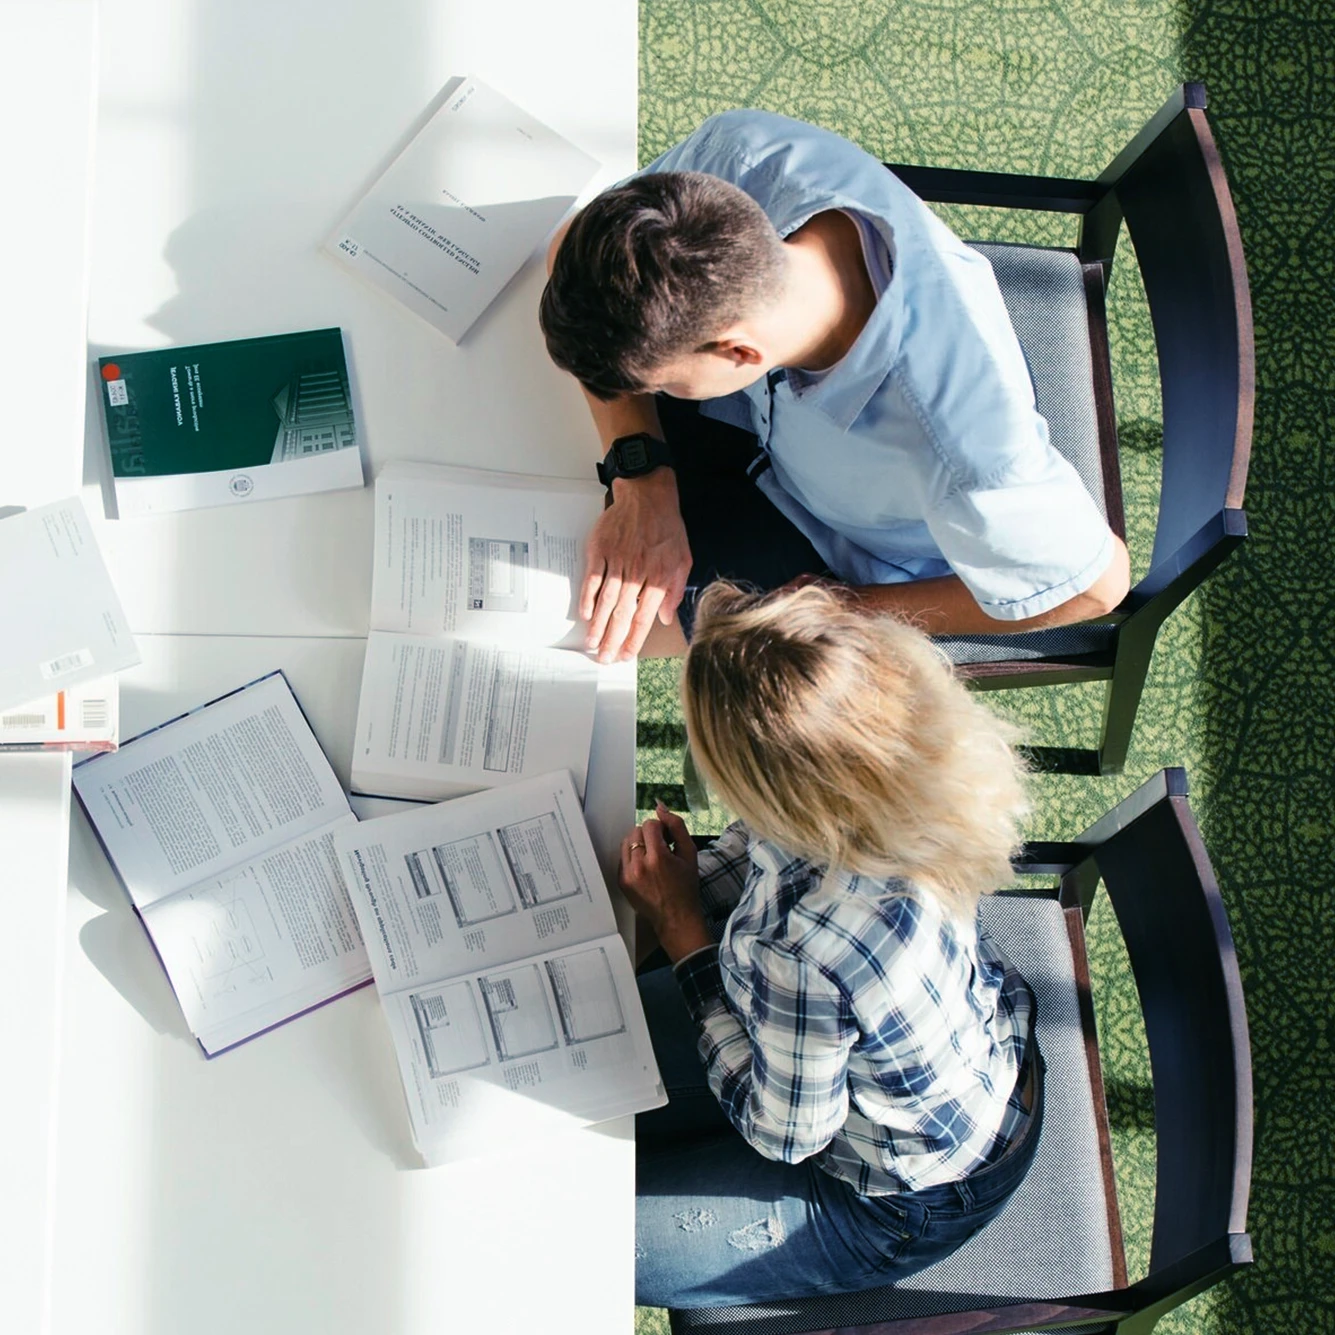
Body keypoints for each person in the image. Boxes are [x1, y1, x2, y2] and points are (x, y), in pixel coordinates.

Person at [540, 109, 1130, 663]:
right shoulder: (738, 155)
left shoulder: (970, 453)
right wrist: (642, 477)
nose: (649, 392)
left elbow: (1095, 587)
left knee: (573, 624)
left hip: (831, 548)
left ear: (740, 350)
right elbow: (569, 245)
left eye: (659, 384)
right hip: (758, 416)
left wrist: (850, 608)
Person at [619, 581, 1042, 1308]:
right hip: (942, 1070)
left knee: (574, 1238)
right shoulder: (885, 758)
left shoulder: (804, 948)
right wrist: (682, 892)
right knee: (596, 1046)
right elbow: (762, 855)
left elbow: (782, 1133)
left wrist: (683, 936)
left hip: (891, 1198)